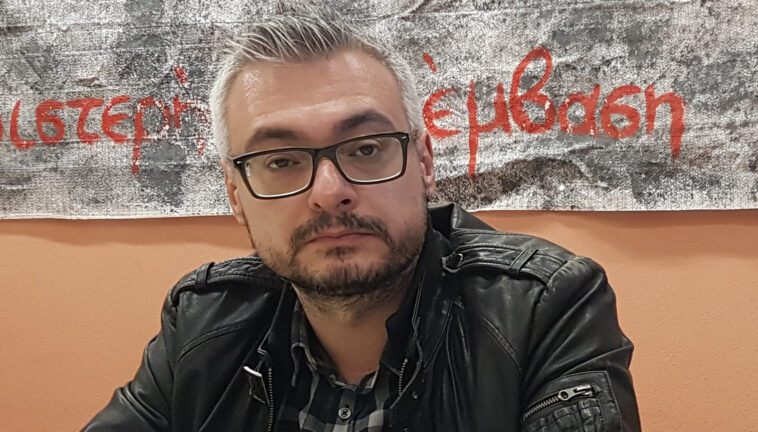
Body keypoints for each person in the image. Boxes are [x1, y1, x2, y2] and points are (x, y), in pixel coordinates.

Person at [84, 6, 640, 432]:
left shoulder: (542, 307)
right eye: (281, 160)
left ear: (423, 163)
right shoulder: (202, 322)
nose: (330, 194)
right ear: (236, 194)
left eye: (366, 149)